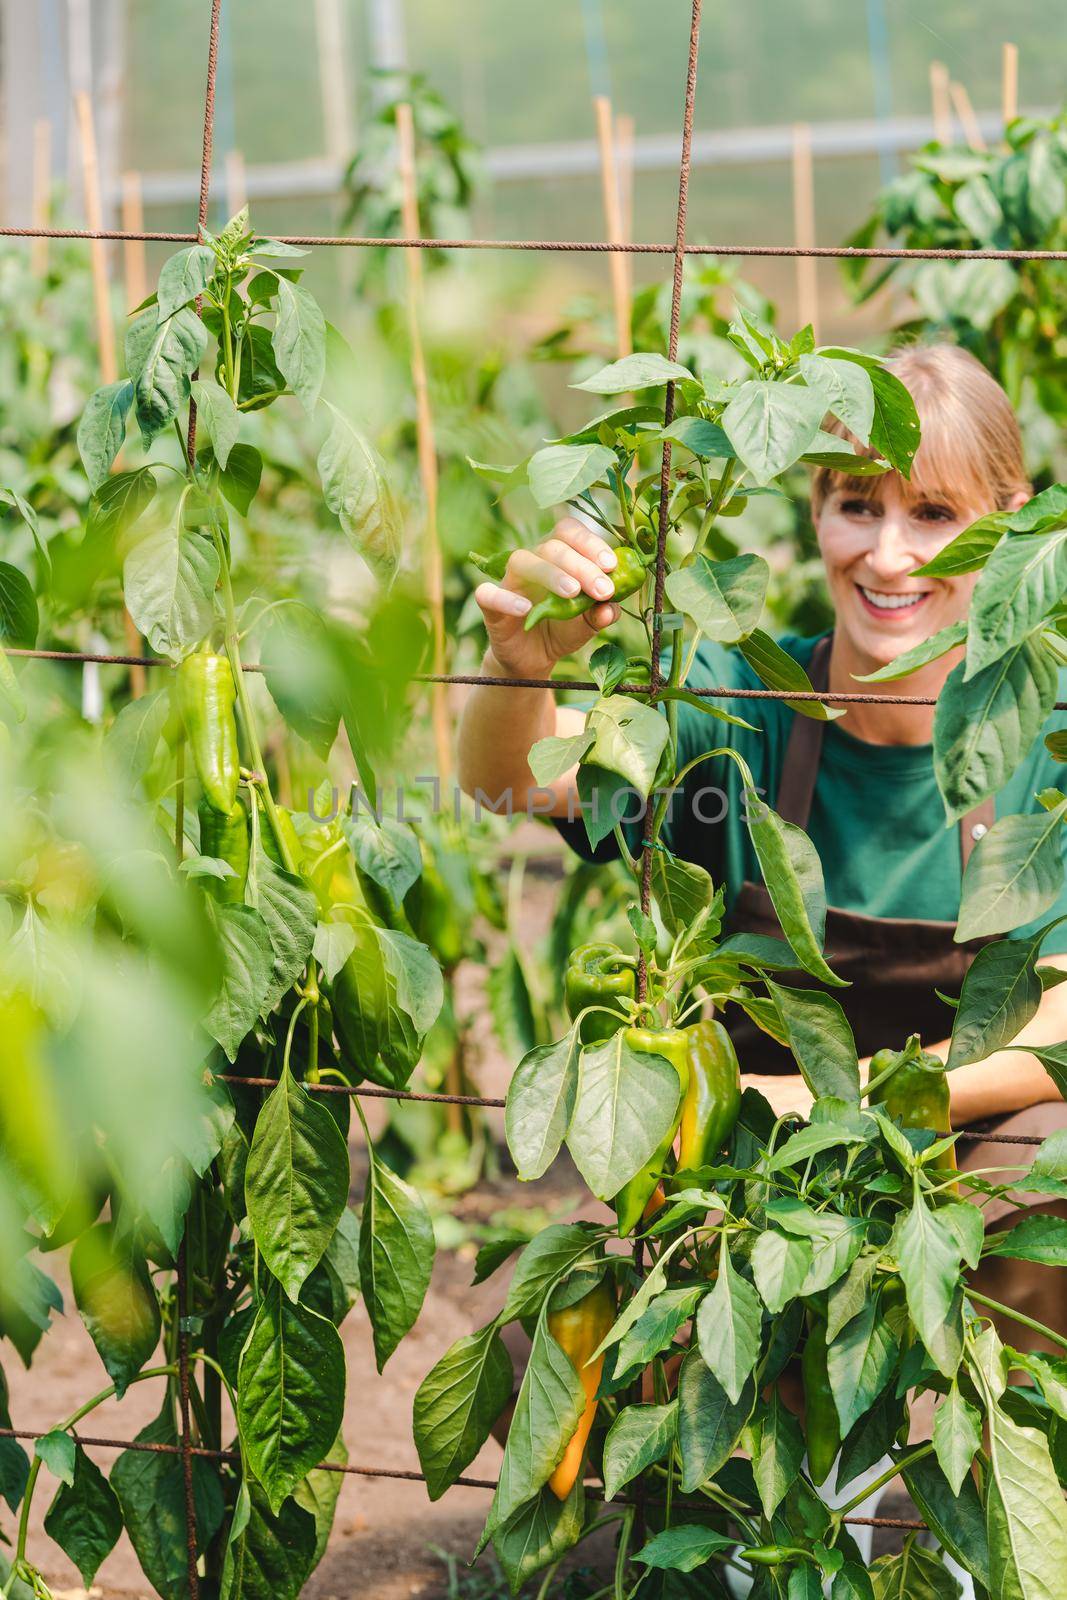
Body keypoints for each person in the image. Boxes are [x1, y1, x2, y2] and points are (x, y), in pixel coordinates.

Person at [459, 342, 1067, 1343]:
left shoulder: (1042, 739)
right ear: (815, 512)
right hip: (760, 1166)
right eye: (855, 506)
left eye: (932, 514)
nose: (885, 555)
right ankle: (773, 1482)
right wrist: (515, 666)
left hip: (949, 1148)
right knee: (538, 1327)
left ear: (1005, 530)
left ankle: (999, 1469)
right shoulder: (740, 705)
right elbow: (504, 786)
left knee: (1052, 1167)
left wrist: (843, 1101)